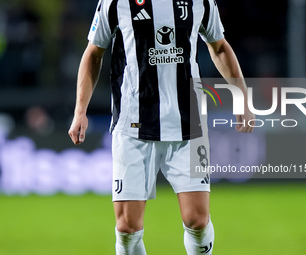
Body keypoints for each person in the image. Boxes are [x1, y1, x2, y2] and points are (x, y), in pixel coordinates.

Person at [68, 0, 254, 254]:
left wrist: (241, 96)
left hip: (188, 123)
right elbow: (93, 53)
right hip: (133, 124)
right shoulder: (115, 3)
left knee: (196, 220)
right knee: (127, 227)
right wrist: (80, 110)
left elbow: (219, 47)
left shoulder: (200, 2)